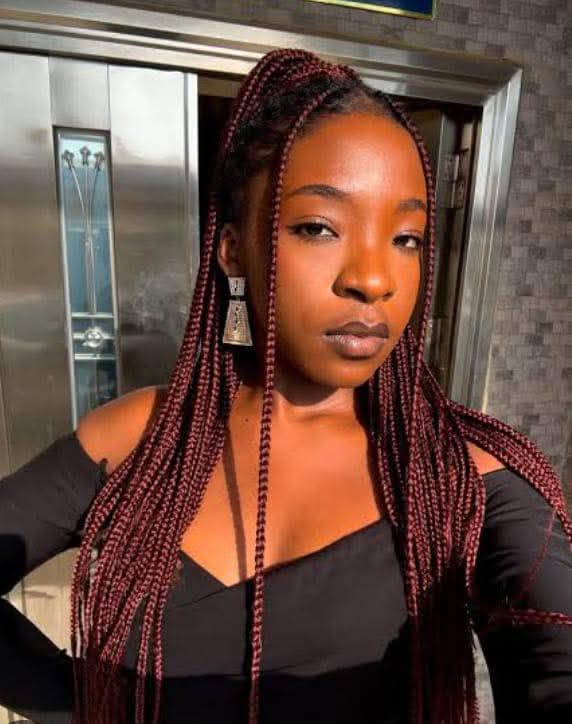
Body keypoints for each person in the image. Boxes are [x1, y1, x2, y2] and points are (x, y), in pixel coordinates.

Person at [0, 47, 571, 724]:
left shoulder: (462, 477)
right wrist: (87, 703)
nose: (374, 279)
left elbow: (554, 665)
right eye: (318, 228)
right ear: (233, 250)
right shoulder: (143, 438)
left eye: (407, 239)